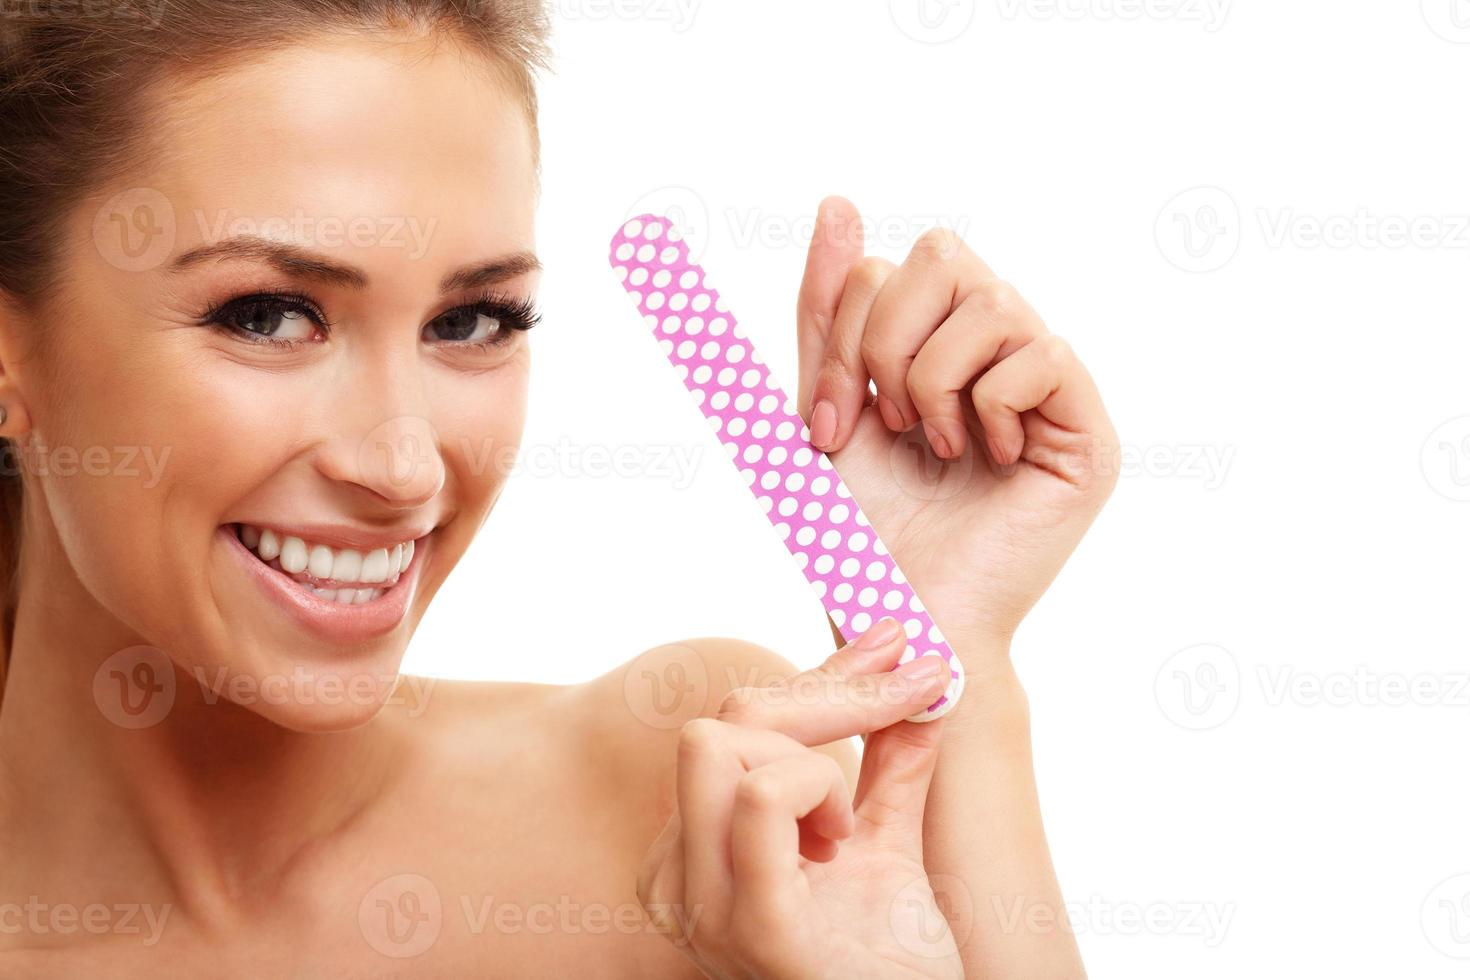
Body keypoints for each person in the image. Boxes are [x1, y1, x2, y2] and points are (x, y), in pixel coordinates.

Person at [0, 2, 1117, 976]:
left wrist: (942, 640)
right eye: (268, 314)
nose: (403, 465)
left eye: (470, 321)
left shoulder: (710, 814)